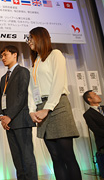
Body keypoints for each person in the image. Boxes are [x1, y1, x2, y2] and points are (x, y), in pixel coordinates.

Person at [26, 27, 81, 180]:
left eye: (31, 38)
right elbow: (31, 89)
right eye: (28, 39)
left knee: (67, 156)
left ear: (41, 38)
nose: (28, 42)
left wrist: (48, 108)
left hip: (57, 106)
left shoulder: (55, 55)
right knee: (55, 157)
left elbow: (58, 83)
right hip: (41, 107)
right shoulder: (35, 62)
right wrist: (32, 110)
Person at [0, 45, 37, 180]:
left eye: (5, 55)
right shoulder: (4, 78)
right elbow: (1, 99)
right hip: (9, 123)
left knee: (27, 157)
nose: (2, 58)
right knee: (17, 158)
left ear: (15, 55)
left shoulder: (23, 72)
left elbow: (22, 96)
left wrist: (10, 116)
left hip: (21, 120)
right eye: (1, 56)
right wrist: (1, 116)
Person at [83, 90, 104, 177]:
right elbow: (96, 130)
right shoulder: (88, 114)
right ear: (89, 99)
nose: (97, 96)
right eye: (94, 94)